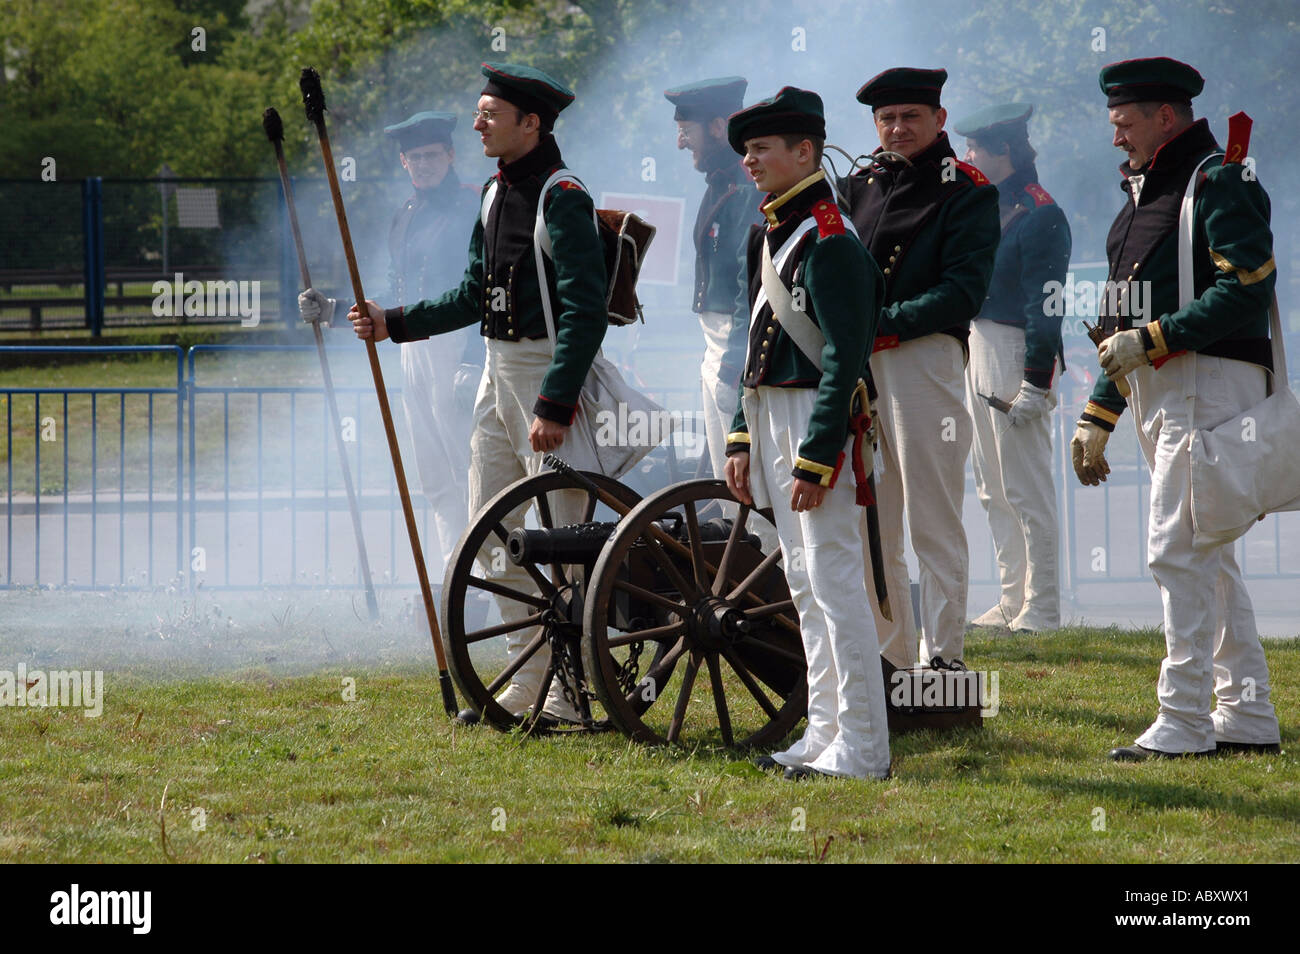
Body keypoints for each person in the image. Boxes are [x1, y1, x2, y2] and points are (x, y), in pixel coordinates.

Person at [349, 62, 609, 723]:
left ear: (531, 123)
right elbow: (473, 294)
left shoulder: (563, 194)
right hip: (495, 372)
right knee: (491, 534)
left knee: (562, 541)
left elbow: (587, 309)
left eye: (489, 113)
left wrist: (555, 402)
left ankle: (573, 695)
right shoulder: (493, 198)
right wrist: (394, 323)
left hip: (548, 377)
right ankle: (530, 672)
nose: (477, 123)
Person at [1070, 57, 1281, 760]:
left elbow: (1247, 287)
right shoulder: (1144, 196)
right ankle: (1247, 716)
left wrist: (1155, 338)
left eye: (1124, 123)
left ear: (1166, 117)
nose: (1115, 137)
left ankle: (1185, 720)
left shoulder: (1221, 179)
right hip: (1167, 386)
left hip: (1209, 382)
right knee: (1207, 556)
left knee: (1176, 550)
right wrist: (1098, 417)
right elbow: (1120, 326)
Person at [722, 86, 891, 781]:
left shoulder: (828, 237)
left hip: (815, 421)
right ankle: (825, 731)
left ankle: (864, 746)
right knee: (803, 583)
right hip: (773, 414)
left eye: (763, 148)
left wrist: (818, 456)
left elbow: (845, 357)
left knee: (836, 583)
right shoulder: (775, 230)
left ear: (806, 152)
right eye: (747, 150)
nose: (750, 161)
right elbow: (753, 343)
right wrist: (740, 434)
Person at [841, 67, 1000, 670]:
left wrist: (881, 323)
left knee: (932, 517)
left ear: (939, 119)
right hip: (863, 364)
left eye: (911, 116)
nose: (897, 128)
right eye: (887, 118)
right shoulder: (859, 185)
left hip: (923, 359)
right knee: (871, 520)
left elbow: (963, 293)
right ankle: (890, 658)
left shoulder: (967, 190)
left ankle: (944, 660)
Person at [299, 111, 482, 580]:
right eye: (413, 157)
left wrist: (473, 361)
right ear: (403, 161)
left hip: (458, 347)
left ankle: (495, 583)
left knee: (474, 474)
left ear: (451, 155)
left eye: (431, 155)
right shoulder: (405, 214)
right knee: (436, 479)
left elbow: (482, 292)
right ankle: (456, 584)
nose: (422, 164)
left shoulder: (475, 206)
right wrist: (336, 311)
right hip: (412, 348)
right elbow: (392, 299)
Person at [952, 103, 1071, 634]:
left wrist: (1035, 381)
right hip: (980, 345)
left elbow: (1046, 305)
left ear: (1004, 151)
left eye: (976, 147)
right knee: (991, 488)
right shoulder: (987, 206)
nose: (967, 155)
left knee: (1027, 490)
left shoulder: (1041, 213)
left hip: (1017, 351)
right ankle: (1010, 600)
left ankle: (1042, 606)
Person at [663, 77, 762, 479]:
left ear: (719, 127)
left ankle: (758, 542)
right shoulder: (724, 181)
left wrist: (734, 361)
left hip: (733, 339)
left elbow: (748, 280)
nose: (681, 143)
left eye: (687, 131)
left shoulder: (745, 185)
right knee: (726, 477)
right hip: (717, 340)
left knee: (745, 477)